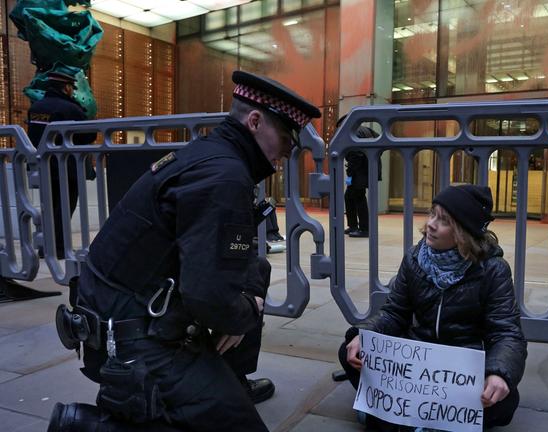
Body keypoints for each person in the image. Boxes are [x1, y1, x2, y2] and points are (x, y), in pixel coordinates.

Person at [49, 71, 320, 431]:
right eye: (286, 137)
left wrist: (242, 304)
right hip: (133, 341)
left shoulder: (211, 156)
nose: (289, 150)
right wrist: (245, 312)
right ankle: (88, 425)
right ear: (255, 122)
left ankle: (225, 383)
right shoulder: (224, 177)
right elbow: (208, 297)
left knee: (255, 273)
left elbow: (232, 260)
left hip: (124, 314)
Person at [338, 185, 527, 431]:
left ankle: (401, 416)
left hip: (462, 370)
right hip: (416, 366)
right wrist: (365, 334)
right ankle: (413, 414)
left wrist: (499, 374)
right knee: (351, 350)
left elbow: (506, 333)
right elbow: (394, 313)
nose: (431, 224)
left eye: (444, 221)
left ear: (463, 232)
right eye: (432, 214)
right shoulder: (414, 258)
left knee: (505, 400)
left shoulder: (493, 270)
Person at [27, 70, 97, 259]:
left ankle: (46, 247)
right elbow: (89, 135)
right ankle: (59, 248)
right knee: (64, 208)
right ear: (66, 87)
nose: (73, 91)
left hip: (42, 166)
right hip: (67, 168)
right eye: (71, 87)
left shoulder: (37, 108)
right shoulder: (71, 109)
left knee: (48, 207)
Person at [340, 118, 380, 238]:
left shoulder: (353, 132)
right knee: (351, 196)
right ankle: (353, 226)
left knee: (358, 197)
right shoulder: (365, 130)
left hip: (360, 171)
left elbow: (356, 155)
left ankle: (364, 228)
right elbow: (379, 140)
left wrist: (350, 172)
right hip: (368, 168)